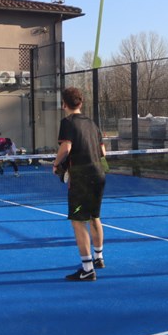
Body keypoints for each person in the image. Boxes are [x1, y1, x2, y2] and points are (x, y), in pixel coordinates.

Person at [52, 87, 107, 281]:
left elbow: (66, 147)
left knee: (78, 221)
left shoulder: (67, 122)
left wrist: (56, 163)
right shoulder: (92, 124)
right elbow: (103, 153)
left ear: (64, 105)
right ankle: (99, 258)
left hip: (81, 177)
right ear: (81, 103)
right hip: (98, 174)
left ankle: (87, 269)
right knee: (94, 216)